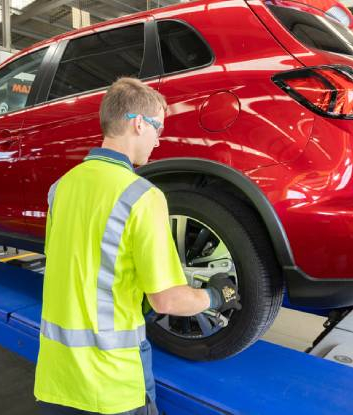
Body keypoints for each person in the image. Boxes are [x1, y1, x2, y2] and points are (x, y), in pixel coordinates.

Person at [34, 78, 241, 415]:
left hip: (56, 380)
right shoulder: (141, 197)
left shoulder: (61, 188)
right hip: (111, 386)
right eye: (158, 127)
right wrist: (216, 296)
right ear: (138, 123)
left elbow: (77, 266)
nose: (159, 140)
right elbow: (167, 299)